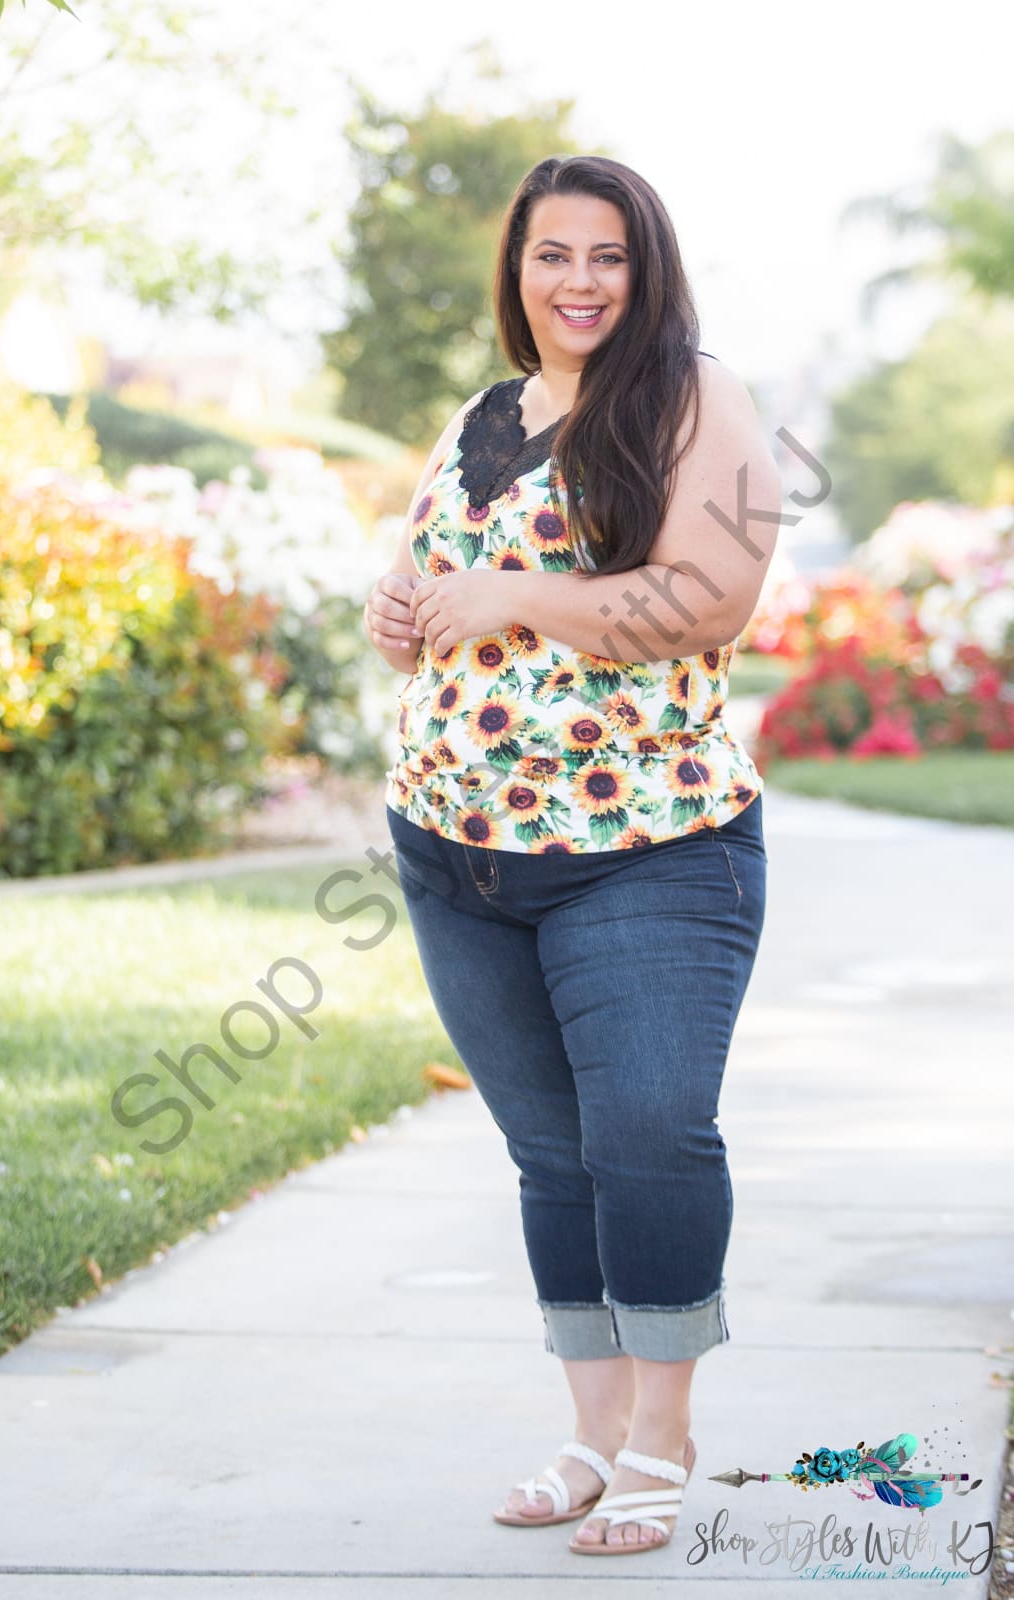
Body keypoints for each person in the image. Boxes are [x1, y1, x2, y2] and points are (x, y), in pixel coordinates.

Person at [363, 154, 781, 1557]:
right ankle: (593, 1436)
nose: (581, 282)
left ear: (645, 267)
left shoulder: (692, 395)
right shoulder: (483, 413)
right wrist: (408, 611)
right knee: (552, 1154)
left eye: (608, 256)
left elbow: (710, 597)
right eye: (554, 256)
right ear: (519, 271)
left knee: (648, 1131)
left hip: (645, 846)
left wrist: (512, 596)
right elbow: (447, 589)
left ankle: (664, 1434)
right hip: (454, 851)